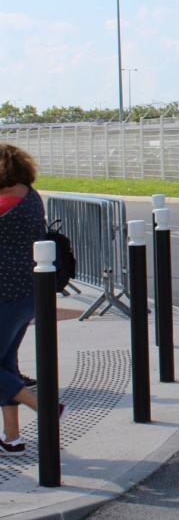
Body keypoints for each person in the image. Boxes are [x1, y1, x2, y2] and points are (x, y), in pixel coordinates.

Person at [0, 144, 65, 456]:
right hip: (29, 293)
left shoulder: (4, 203)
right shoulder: (31, 196)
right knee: (5, 365)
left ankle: (44, 406)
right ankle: (12, 437)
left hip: (4, 295)